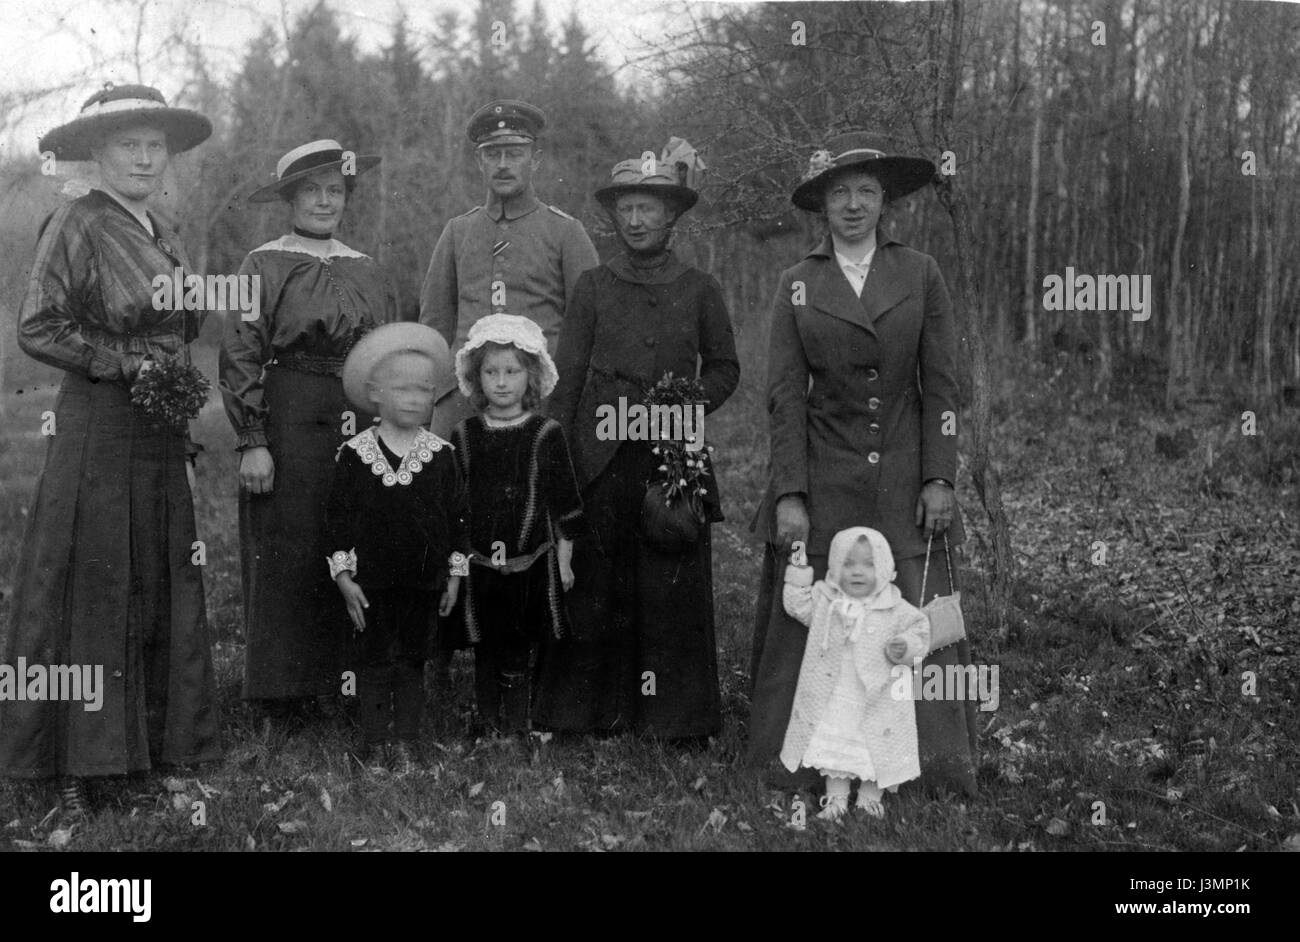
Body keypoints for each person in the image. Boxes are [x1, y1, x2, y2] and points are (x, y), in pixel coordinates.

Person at [0, 83, 220, 811]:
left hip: (156, 423)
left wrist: (171, 385)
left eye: (156, 145)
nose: (145, 157)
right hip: (99, 417)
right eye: (129, 144)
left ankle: (157, 745)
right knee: (101, 577)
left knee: (157, 571)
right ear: (97, 152)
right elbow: (39, 325)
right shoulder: (77, 219)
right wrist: (128, 364)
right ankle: (94, 764)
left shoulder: (160, 227)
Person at [748, 131, 978, 796]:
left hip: (905, 471)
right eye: (839, 193)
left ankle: (927, 770)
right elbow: (784, 398)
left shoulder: (921, 273)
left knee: (912, 616)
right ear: (822, 205)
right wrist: (790, 490)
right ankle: (798, 767)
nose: (852, 205)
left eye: (867, 193)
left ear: (886, 202)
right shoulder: (797, 283)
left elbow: (942, 386)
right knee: (815, 621)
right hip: (825, 473)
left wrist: (940, 477)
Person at [532, 150, 739, 739]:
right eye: (627, 209)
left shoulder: (701, 288)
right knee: (595, 583)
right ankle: (584, 713)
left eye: (648, 207)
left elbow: (726, 369)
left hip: (671, 454)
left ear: (672, 216)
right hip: (600, 449)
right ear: (614, 218)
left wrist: (684, 401)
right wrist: (559, 456)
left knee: (669, 580)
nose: (637, 220)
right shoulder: (594, 286)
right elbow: (567, 375)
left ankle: (675, 719)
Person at [418, 99, 598, 697]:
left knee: (539, 521)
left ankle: (544, 663)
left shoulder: (564, 232)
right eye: (492, 154)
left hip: (537, 405)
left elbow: (586, 325)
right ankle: (441, 650)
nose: (503, 163)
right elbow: (435, 323)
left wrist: (555, 404)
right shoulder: (458, 231)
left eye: (514, 153)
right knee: (445, 513)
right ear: (478, 161)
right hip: (468, 402)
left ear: (534, 159)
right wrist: (450, 402)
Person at [220, 139, 397, 719]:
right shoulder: (262, 263)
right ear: (290, 198)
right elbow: (241, 353)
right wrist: (253, 440)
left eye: (335, 191)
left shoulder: (367, 268)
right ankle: (284, 695)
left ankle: (349, 680)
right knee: (290, 543)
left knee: (353, 538)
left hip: (359, 413)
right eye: (312, 191)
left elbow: (391, 350)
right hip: (291, 410)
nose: (324, 202)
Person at [324, 323, 468, 772]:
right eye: (401, 388)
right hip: (370, 585)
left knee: (411, 660)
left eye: (423, 390)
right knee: (373, 659)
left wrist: (455, 575)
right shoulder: (354, 454)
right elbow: (339, 520)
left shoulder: (440, 455)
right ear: (375, 394)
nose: (413, 398)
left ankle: (406, 740)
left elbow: (457, 518)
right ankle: (373, 741)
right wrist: (344, 578)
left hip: (423, 583)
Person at [447, 314, 585, 740]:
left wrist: (563, 558)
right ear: (476, 377)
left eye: (512, 372)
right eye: (491, 372)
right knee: (486, 644)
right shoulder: (465, 435)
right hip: (481, 564)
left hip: (531, 563)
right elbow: (455, 504)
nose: (501, 382)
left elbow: (564, 505)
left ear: (532, 377)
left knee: (521, 644)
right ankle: (486, 720)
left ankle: (516, 725)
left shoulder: (546, 434)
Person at [779, 528, 930, 821]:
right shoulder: (827, 601)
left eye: (868, 564)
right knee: (835, 742)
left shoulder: (895, 606)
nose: (858, 572)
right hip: (835, 693)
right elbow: (796, 605)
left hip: (877, 698)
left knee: (873, 746)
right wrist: (798, 566)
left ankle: (870, 800)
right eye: (848, 564)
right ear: (836, 567)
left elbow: (920, 631)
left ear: (884, 567)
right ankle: (835, 799)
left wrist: (905, 647)